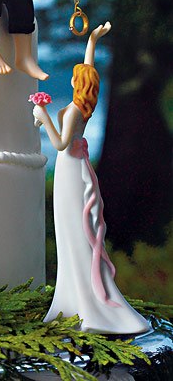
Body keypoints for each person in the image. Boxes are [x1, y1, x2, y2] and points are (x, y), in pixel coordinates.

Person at [33, 22, 150, 334]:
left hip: (69, 168)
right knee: (74, 228)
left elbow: (60, 143)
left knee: (73, 228)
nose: (74, 77)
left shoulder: (73, 111)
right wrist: (93, 40)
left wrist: (42, 115)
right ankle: (74, 293)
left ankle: (82, 298)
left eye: (75, 77)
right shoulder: (86, 106)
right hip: (76, 167)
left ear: (77, 83)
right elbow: (90, 69)